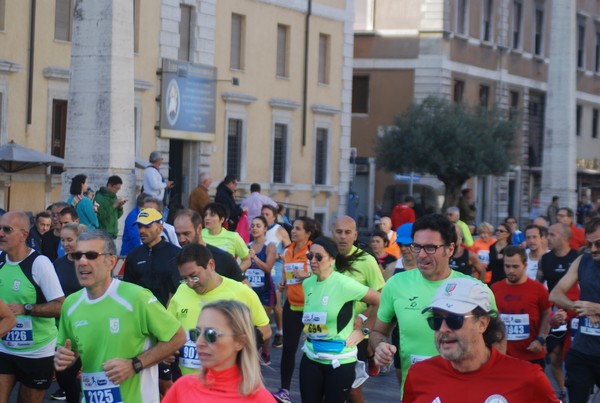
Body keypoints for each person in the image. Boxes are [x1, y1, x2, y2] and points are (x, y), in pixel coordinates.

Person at [369, 214, 499, 397]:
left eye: (430, 248)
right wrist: (380, 346)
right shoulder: (396, 284)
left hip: (465, 393)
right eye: (417, 247)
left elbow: (497, 341)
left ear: (450, 249)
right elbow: (378, 332)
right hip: (417, 393)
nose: (421, 255)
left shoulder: (476, 290)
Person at [54, 230, 186, 403]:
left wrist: (135, 364)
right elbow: (72, 352)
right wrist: (64, 359)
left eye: (92, 255)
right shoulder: (71, 304)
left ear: (111, 262)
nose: (82, 262)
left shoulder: (136, 297)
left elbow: (178, 337)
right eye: (77, 256)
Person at [403, 278, 558, 402]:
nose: (443, 329)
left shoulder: (528, 378)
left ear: (482, 323)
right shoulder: (419, 374)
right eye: (436, 320)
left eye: (455, 320)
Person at [167, 244, 271, 376]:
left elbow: (265, 330)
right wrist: (169, 351)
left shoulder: (241, 292)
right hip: (189, 384)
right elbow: (170, 330)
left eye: (194, 276)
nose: (191, 283)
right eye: (185, 279)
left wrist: (234, 351)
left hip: (228, 382)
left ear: (211, 265)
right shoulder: (182, 290)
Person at [299, 237, 380, 403]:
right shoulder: (307, 283)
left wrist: (364, 329)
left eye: (319, 257)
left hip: (339, 361)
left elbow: (380, 300)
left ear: (332, 260)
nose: (313, 261)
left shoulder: (344, 284)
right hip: (311, 356)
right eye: (310, 256)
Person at [0, 211, 65, 403]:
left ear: (24, 235)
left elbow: (61, 306)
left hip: (37, 351)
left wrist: (26, 308)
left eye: (6, 229)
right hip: (5, 348)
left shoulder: (40, 264)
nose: (1, 233)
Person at [162, 300, 275, 403]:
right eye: (196, 333)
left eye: (211, 334)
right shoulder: (183, 386)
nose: (199, 343)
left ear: (240, 342)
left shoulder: (260, 399)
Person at [332, 215, 385, 394]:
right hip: (331, 331)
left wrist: (364, 323)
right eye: (339, 232)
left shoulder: (367, 260)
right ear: (333, 233)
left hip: (357, 330)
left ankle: (369, 352)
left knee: (353, 392)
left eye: (347, 232)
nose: (342, 237)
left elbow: (381, 295)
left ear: (355, 235)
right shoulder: (327, 258)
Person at [549, 216, 600, 403]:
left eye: (599, 244)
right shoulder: (582, 261)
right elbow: (555, 294)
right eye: (590, 244)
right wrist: (579, 308)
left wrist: (597, 309)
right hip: (582, 351)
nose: (593, 249)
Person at [272, 217, 321, 403]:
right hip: (292, 305)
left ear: (308, 233)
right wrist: (284, 281)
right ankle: (284, 390)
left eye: (298, 229)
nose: (293, 231)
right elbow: (287, 272)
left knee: (313, 350)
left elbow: (324, 273)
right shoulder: (288, 250)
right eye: (293, 228)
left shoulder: (313, 250)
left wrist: (307, 274)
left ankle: (318, 392)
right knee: (289, 349)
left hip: (312, 307)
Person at [537, 222, 579, 400]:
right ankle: (562, 391)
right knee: (553, 356)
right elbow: (539, 285)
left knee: (574, 356)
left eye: (552, 235)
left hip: (576, 311)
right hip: (555, 312)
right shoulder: (545, 259)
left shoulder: (577, 258)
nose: (548, 238)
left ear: (564, 238)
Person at [491, 246, 551, 367]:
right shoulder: (495, 288)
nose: (510, 271)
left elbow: (547, 314)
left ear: (525, 265)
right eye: (507, 266)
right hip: (503, 356)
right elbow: (491, 318)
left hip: (531, 355)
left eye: (515, 266)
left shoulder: (538, 289)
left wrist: (540, 339)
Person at [49, 222, 87, 403]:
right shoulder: (58, 264)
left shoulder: (88, 262)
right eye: (62, 240)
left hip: (88, 324)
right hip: (63, 328)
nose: (65, 244)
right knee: (63, 376)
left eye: (69, 239)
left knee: (84, 372)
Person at [123, 208, 181, 307]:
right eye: (139, 226)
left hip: (167, 315)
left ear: (160, 228)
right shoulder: (133, 256)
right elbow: (128, 290)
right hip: (140, 314)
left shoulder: (175, 254)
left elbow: (181, 289)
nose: (142, 230)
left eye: (147, 226)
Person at [173, 208, 245, 282]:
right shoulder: (173, 263)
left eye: (186, 233)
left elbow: (247, 290)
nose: (181, 239)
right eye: (178, 234)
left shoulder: (224, 259)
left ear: (199, 229)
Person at [247, 216, 277, 364]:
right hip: (250, 291)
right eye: (252, 225)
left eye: (258, 225)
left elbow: (268, 267)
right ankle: (254, 353)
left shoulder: (270, 246)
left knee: (262, 324)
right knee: (250, 324)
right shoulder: (247, 245)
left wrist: (254, 258)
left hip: (265, 291)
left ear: (265, 228)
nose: (254, 228)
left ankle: (265, 350)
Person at [262, 205, 291, 348]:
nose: (265, 216)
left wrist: (278, 255)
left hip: (276, 271)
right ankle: (263, 332)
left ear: (274, 217)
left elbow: (290, 249)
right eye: (263, 214)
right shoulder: (259, 229)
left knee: (275, 303)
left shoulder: (279, 230)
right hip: (262, 272)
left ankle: (280, 333)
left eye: (267, 214)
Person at [202, 202, 251, 271]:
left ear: (222, 219)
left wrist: (235, 274)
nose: (207, 218)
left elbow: (247, 260)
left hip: (225, 280)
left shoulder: (233, 237)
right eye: (205, 215)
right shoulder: (198, 235)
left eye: (212, 215)